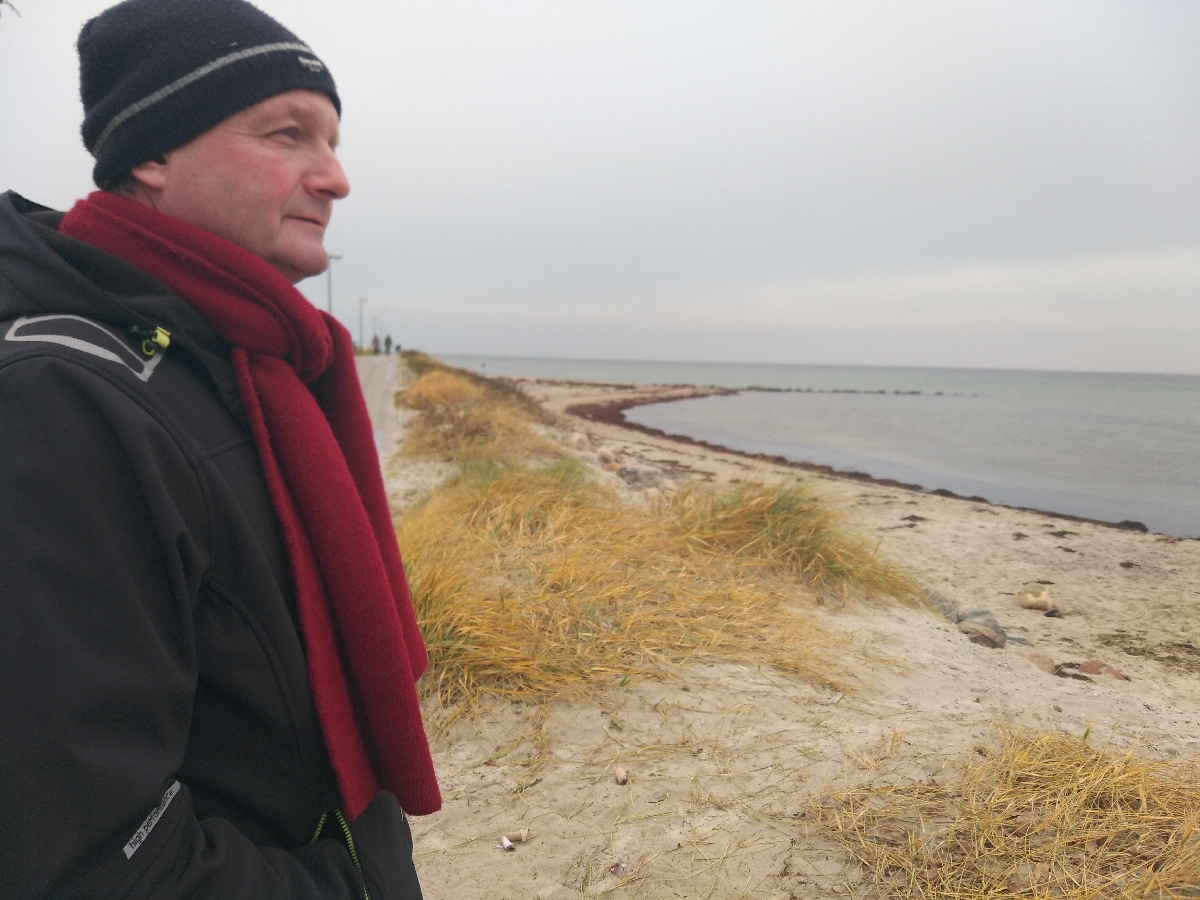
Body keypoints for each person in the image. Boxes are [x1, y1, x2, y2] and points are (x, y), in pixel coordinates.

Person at [0, 1, 440, 898]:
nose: (336, 178)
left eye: (333, 140)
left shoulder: (246, 362)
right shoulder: (61, 400)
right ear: (152, 155)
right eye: (287, 134)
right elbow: (90, 855)